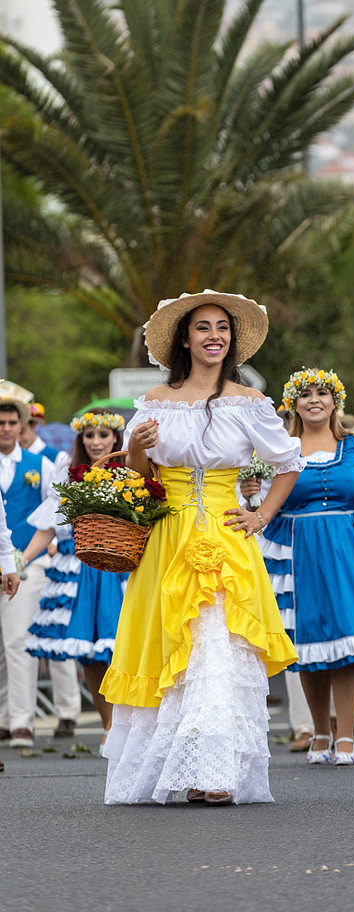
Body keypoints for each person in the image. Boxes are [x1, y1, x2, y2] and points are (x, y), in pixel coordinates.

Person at [100, 290, 303, 806]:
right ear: (184, 341)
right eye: (203, 328)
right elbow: (138, 478)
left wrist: (260, 515)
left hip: (225, 534)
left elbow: (288, 464)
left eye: (222, 328)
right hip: (167, 534)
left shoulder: (248, 402)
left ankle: (216, 770)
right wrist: (140, 450)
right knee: (172, 644)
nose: (214, 336)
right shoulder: (153, 402)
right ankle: (177, 768)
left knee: (217, 644)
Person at [260, 369, 354, 766]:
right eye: (306, 394)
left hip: (349, 548)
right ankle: (319, 732)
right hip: (299, 551)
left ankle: (345, 736)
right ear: (293, 403)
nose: (315, 400)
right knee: (308, 646)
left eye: (323, 393)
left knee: (350, 642)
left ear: (334, 401)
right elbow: (263, 506)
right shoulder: (280, 447)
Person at [23, 409, 129, 749]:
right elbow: (49, 526)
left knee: (122, 649)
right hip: (79, 570)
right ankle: (109, 724)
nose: (96, 442)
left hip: (119, 570)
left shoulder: (131, 473)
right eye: (89, 435)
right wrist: (18, 561)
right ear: (81, 440)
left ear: (115, 438)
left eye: (103, 435)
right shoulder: (68, 474)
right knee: (89, 654)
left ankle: (130, 723)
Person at [0, 397, 81, 748]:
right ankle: (4, 717)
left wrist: (45, 550)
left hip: (27, 563)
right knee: (4, 647)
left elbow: (56, 510)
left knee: (19, 640)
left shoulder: (42, 464)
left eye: (10, 423)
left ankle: (22, 722)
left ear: (22, 427)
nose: (5, 429)